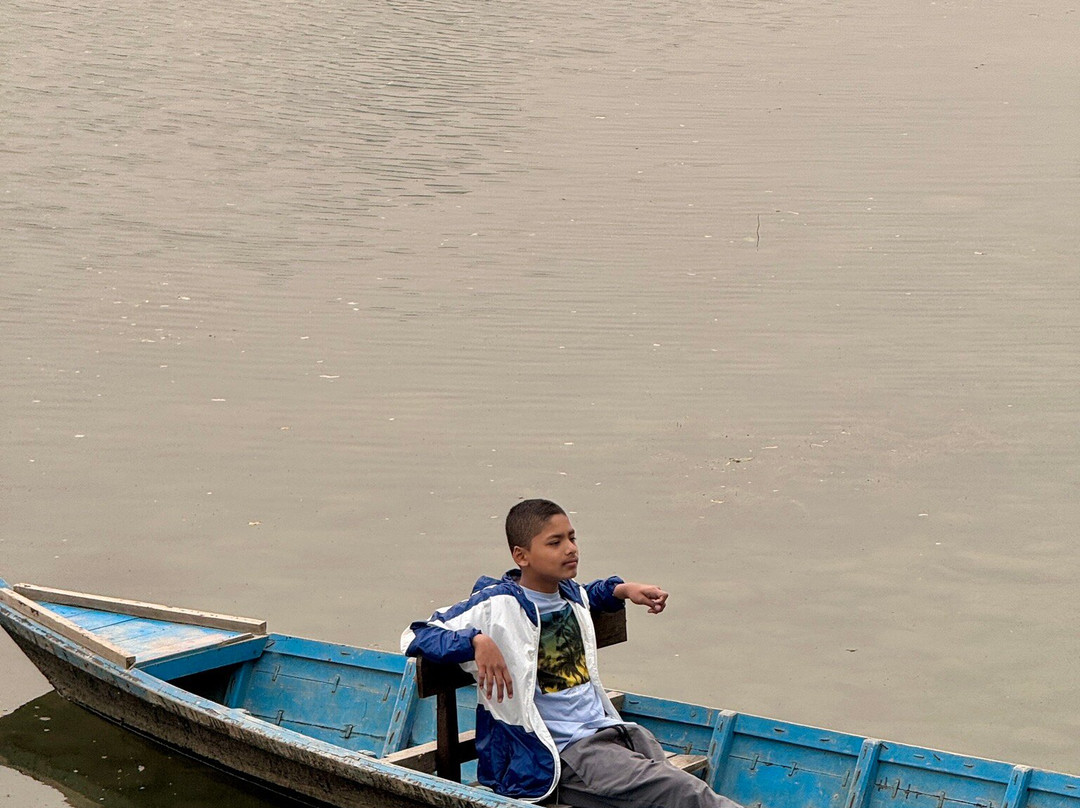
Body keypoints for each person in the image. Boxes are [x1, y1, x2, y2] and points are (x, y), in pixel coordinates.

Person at [400, 498, 743, 808]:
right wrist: (476, 642)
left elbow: (591, 593)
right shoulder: (497, 606)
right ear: (522, 556)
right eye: (555, 542)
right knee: (686, 793)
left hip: (609, 732)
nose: (571, 549)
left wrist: (624, 589)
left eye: (572, 538)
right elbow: (416, 633)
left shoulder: (568, 595)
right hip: (557, 755)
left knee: (666, 781)